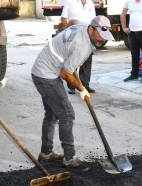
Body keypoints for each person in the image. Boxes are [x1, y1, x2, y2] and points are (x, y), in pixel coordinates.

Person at [30, 16, 114, 168]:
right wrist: (81, 89)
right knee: (67, 114)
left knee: (52, 113)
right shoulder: (82, 46)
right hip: (47, 75)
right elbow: (66, 73)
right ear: (91, 29)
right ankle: (69, 158)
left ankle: (46, 153)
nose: (102, 41)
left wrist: (80, 84)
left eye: (105, 38)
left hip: (41, 70)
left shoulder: (82, 27)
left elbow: (73, 22)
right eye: (100, 36)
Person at [60, 0, 97, 95]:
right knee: (73, 61)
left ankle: (85, 84)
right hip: (75, 33)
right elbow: (64, 18)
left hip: (88, 34)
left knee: (87, 60)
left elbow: (94, 20)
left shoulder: (90, 3)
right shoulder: (70, 2)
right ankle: (71, 85)